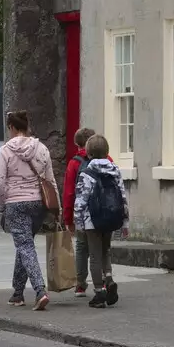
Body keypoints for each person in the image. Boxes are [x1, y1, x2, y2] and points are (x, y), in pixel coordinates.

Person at [0, 110, 59, 310]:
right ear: (27, 126)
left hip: (16, 203)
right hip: (38, 203)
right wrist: (57, 207)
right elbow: (50, 180)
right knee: (25, 245)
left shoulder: (5, 151)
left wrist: (2, 205)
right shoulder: (42, 149)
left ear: (11, 127)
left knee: (25, 246)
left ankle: (40, 290)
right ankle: (17, 293)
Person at [74, 134, 128, 308]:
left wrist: (78, 222)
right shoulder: (115, 170)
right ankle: (109, 278)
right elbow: (122, 196)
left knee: (94, 256)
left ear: (88, 154)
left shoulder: (87, 173)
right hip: (111, 217)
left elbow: (81, 200)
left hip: (92, 220)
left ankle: (99, 292)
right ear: (107, 152)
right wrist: (125, 221)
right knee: (106, 251)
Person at [62, 126, 110, 298]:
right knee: (104, 248)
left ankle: (81, 284)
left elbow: (69, 193)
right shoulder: (109, 160)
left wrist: (68, 218)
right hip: (107, 213)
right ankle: (106, 278)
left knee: (82, 248)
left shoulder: (75, 163)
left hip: (86, 215)